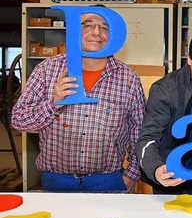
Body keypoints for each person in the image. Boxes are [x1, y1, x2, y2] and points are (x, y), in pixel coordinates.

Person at [12, 10, 145, 192]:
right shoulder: (46, 70)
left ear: (113, 35)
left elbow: (139, 131)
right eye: (88, 25)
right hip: (57, 181)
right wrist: (54, 102)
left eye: (104, 27)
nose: (96, 32)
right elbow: (19, 120)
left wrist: (131, 174)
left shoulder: (128, 79)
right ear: (75, 30)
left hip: (108, 182)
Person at [136, 30, 192, 196]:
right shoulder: (165, 89)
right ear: (189, 59)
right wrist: (156, 169)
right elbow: (148, 137)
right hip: (172, 180)